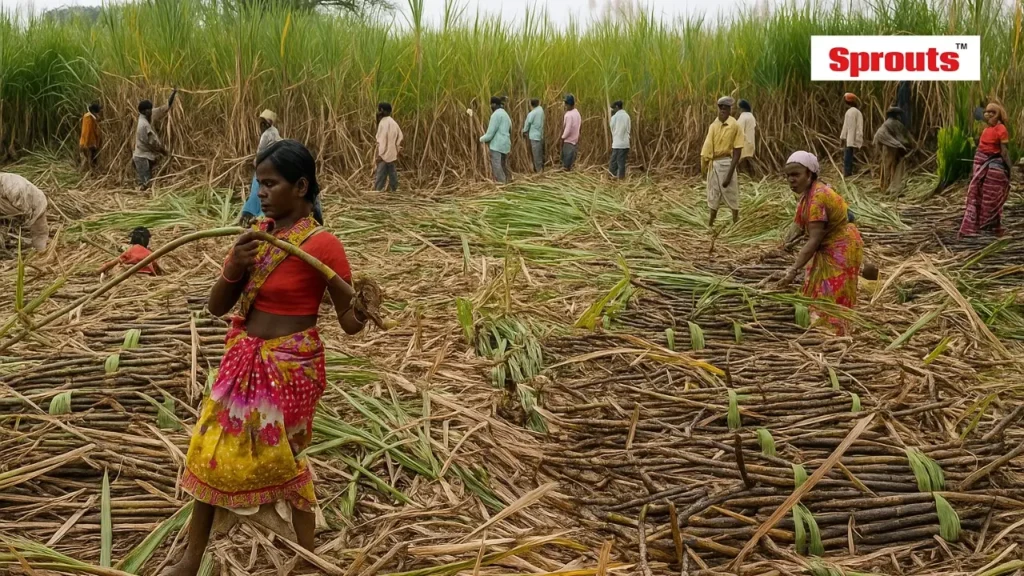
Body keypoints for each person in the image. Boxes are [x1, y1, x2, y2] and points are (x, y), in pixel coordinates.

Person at [162, 140, 368, 576]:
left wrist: (364, 307)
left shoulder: (322, 244)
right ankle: (191, 558)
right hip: (242, 362)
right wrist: (234, 264)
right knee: (209, 451)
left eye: (270, 184)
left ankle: (305, 560)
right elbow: (218, 306)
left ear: (301, 186)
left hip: (291, 367)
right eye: (259, 185)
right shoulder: (255, 238)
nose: (262, 194)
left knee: (286, 460)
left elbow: (348, 320)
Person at [777, 151, 864, 335]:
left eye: (796, 175)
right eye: (788, 176)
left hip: (842, 246)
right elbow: (797, 227)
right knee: (815, 286)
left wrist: (793, 270)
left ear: (810, 174)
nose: (791, 180)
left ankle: (836, 333)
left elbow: (814, 239)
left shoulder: (817, 198)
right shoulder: (806, 197)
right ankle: (822, 326)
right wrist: (781, 247)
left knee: (833, 290)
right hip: (829, 244)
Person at [960, 103, 1012, 237]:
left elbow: (1004, 151)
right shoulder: (986, 130)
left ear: (999, 115)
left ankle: (989, 227)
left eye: (992, 112)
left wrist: (1009, 169)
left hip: (994, 166)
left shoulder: (1001, 129)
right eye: (987, 112)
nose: (988, 114)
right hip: (981, 163)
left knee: (991, 198)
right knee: (977, 195)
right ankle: (975, 228)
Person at [700, 96, 745, 226]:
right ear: (718, 108)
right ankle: (711, 222)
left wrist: (729, 175)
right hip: (714, 164)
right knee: (713, 194)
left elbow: (737, 151)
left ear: (730, 109)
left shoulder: (735, 126)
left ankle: (736, 221)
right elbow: (707, 148)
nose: (723, 110)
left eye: (726, 107)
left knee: (731, 193)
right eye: (721, 107)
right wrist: (704, 166)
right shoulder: (713, 126)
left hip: (727, 163)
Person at [240, 110, 282, 225]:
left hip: (266, 164)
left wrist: (256, 163)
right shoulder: (275, 132)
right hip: (275, 164)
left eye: (264, 122)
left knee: (257, 187)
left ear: (268, 123)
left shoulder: (267, 134)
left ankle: (252, 213)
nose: (262, 125)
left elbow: (260, 153)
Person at [133, 88, 177, 191]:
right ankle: (140, 202)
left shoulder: (149, 115)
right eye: (149, 109)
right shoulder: (143, 125)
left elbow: (165, 108)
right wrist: (164, 151)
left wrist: (173, 93)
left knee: (147, 181)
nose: (151, 111)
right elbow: (154, 143)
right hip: (142, 158)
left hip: (146, 156)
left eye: (151, 108)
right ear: (144, 111)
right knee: (145, 183)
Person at [0, 172, 48, 252]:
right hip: (36, 203)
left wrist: (19, 219)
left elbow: (22, 207)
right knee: (40, 234)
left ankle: (41, 255)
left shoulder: (12, 186)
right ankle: (40, 251)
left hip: (33, 206)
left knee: (39, 234)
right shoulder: (7, 180)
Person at [873, 106, 913, 195]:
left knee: (887, 164)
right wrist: (909, 144)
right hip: (889, 144)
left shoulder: (888, 123)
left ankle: (886, 185)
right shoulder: (895, 123)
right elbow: (901, 138)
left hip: (886, 143)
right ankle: (887, 187)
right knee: (889, 164)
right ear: (896, 115)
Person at [480, 96, 512, 184]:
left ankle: (502, 184)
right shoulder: (506, 114)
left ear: (494, 104)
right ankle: (508, 181)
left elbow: (490, 133)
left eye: (491, 105)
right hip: (505, 144)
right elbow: (510, 129)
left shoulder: (495, 115)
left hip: (497, 145)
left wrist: (481, 139)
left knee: (496, 165)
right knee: (503, 165)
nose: (490, 107)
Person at [374, 102, 403, 192]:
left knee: (380, 174)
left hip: (384, 154)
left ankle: (378, 193)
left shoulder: (383, 123)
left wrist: (380, 154)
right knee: (393, 174)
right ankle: (394, 191)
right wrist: (396, 149)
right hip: (392, 153)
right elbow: (400, 136)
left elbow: (382, 140)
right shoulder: (394, 123)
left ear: (382, 110)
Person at [840, 93, 864, 177]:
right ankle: (850, 172)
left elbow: (845, 126)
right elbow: (859, 127)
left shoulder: (848, 112)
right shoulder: (858, 112)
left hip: (849, 139)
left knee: (848, 156)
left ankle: (847, 173)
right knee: (851, 155)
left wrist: (842, 137)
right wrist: (859, 139)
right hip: (855, 139)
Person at [608, 100, 631, 179]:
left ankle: (615, 178)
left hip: (617, 143)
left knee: (614, 162)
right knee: (621, 162)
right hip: (625, 143)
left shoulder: (614, 117)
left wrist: (611, 116)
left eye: (613, 108)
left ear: (617, 107)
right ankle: (619, 178)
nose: (613, 110)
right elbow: (629, 129)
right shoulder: (627, 116)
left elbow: (612, 129)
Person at [523, 99, 545, 173]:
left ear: (531, 105)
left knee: (536, 155)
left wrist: (524, 131)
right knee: (540, 153)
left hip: (534, 137)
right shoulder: (541, 110)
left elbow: (527, 123)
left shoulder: (532, 113)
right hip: (540, 135)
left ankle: (539, 171)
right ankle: (541, 169)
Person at [560, 94, 582, 170]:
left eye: (565, 104)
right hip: (575, 142)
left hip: (568, 142)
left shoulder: (568, 115)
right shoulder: (577, 113)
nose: (564, 106)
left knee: (566, 164)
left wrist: (563, 137)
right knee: (571, 163)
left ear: (568, 104)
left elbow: (567, 129)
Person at [79, 101, 102, 173]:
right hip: (88, 143)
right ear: (93, 111)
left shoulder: (89, 117)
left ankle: (90, 172)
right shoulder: (88, 118)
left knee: (90, 159)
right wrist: (86, 144)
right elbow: (87, 132)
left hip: (89, 142)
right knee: (88, 159)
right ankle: (87, 173)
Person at [736, 100, 756, 176]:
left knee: (740, 161)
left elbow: (739, 130)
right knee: (747, 160)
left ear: (742, 108)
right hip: (751, 142)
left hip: (744, 142)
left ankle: (742, 175)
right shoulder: (751, 116)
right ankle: (749, 176)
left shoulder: (743, 116)